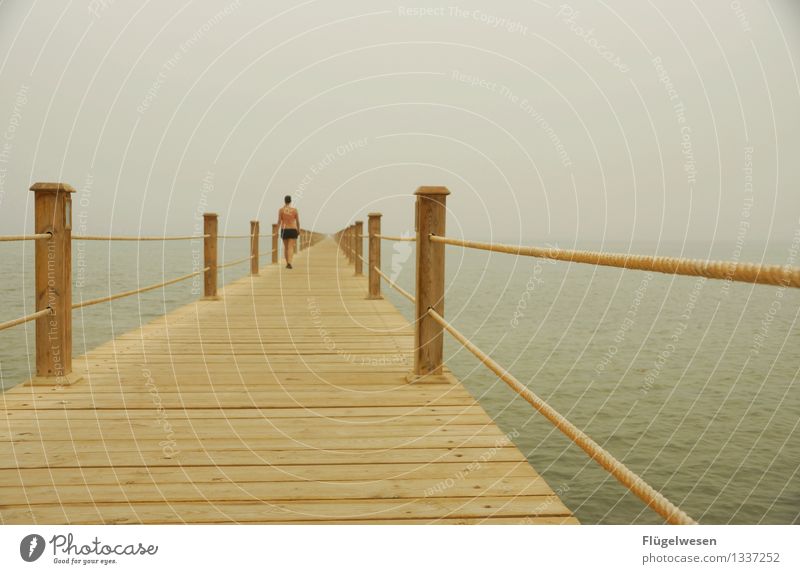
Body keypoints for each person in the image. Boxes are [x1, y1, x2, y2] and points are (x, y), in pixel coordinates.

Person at [278, 195, 300, 269]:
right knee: (290, 247)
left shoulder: (281, 210)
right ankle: (290, 263)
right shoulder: (294, 210)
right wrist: (298, 229)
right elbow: (297, 221)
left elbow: (279, 221)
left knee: (286, 247)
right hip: (293, 229)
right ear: (290, 201)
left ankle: (287, 263)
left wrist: (276, 231)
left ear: (285, 201)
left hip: (284, 229)